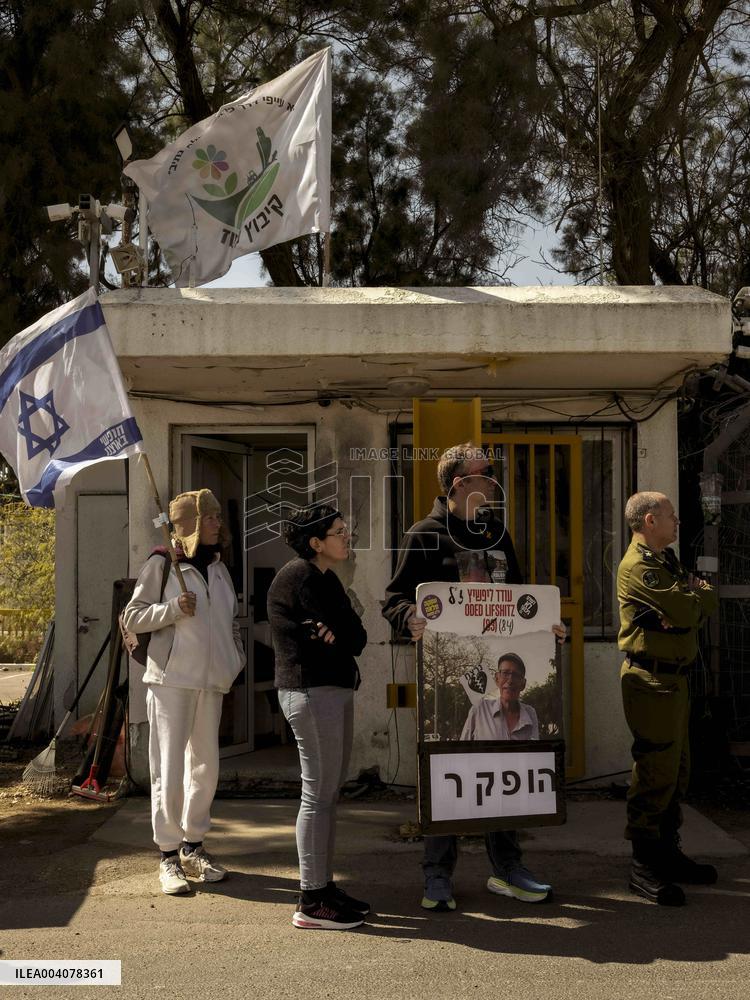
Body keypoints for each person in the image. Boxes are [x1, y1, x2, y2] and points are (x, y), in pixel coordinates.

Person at [383, 442, 555, 911]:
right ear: (461, 484)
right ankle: (437, 875)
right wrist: (409, 619)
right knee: (445, 774)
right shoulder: (424, 534)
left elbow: (519, 597)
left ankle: (508, 870)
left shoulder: (496, 533)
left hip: (501, 676)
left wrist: (545, 624)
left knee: (505, 770)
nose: (494, 481)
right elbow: (394, 598)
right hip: (447, 681)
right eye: (487, 473)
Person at [122, 488, 245, 896]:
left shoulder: (218, 567)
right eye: (209, 517)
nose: (217, 523)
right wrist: (174, 609)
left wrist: (234, 658)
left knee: (205, 767)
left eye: (216, 517)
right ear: (190, 523)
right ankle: (168, 856)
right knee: (169, 770)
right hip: (171, 681)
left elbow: (229, 621)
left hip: (211, 682)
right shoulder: (161, 564)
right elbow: (133, 617)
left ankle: (194, 845)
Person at [268, 503, 369, 930]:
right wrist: (337, 631)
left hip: (333, 689)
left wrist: (338, 631)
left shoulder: (327, 579)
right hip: (310, 691)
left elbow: (355, 639)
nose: (347, 537)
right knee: (317, 794)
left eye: (346, 530)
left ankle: (324, 887)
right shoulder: (299, 577)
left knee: (329, 793)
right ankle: (311, 901)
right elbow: (335, 634)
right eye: (339, 532)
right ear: (316, 542)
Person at [617, 491, 718, 906]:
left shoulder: (666, 562)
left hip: (674, 681)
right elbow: (691, 610)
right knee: (654, 771)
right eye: (670, 516)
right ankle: (644, 865)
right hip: (651, 681)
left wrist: (694, 601)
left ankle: (667, 853)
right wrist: (695, 599)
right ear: (648, 520)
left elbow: (694, 606)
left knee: (677, 770)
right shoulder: (640, 567)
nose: (677, 522)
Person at [461, 653, 539, 742]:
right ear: (497, 679)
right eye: (505, 673)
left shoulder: (530, 713)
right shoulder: (479, 709)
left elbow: (534, 750)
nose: (510, 680)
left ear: (523, 684)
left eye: (516, 675)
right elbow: (461, 749)